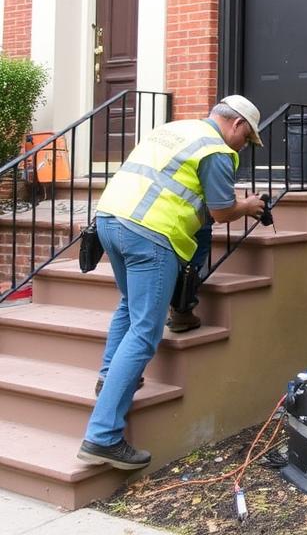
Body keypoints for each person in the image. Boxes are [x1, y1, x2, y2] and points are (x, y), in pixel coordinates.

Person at [77, 95, 267, 470]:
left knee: (130, 307)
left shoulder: (175, 130)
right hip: (150, 235)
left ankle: (109, 379)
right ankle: (103, 436)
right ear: (237, 125)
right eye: (248, 139)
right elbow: (220, 211)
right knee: (146, 331)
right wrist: (247, 206)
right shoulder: (217, 150)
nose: (244, 146)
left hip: (110, 220)